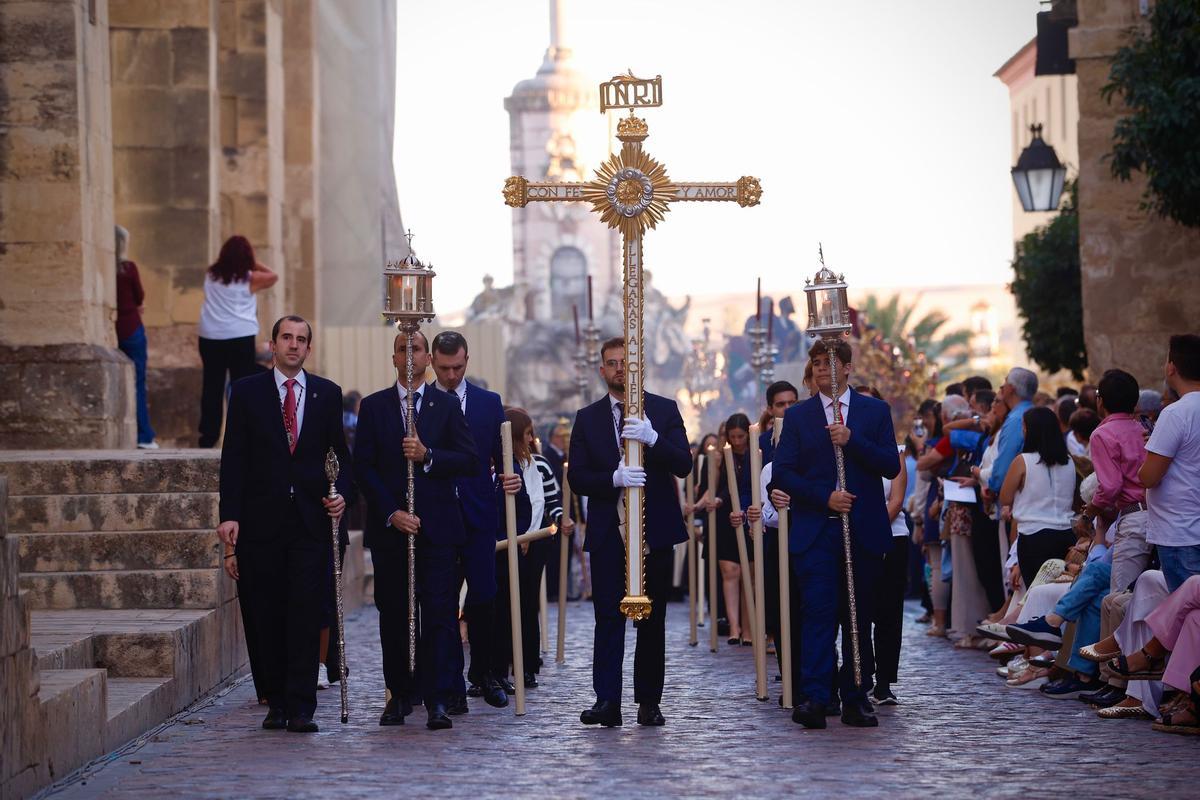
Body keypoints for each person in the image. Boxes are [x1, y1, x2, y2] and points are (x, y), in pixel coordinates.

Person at [217, 315, 351, 733]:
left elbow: (340, 457)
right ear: (272, 344)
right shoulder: (246, 393)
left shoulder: (328, 394)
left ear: (309, 348)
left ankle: (301, 707)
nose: (294, 345)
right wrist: (229, 514)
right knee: (267, 612)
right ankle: (275, 701)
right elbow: (233, 456)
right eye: (286, 338)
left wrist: (341, 492)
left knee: (306, 614)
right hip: (261, 521)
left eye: (301, 340)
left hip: (311, 523)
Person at [772, 339, 900, 729]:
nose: (824, 370)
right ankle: (816, 696)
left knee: (857, 617)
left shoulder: (874, 411)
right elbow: (783, 473)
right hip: (816, 531)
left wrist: (852, 440)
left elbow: (890, 465)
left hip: (861, 531)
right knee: (818, 614)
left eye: (830, 363)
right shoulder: (798, 416)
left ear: (847, 367)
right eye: (817, 364)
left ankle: (856, 695)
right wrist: (824, 497)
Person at [353, 330, 478, 730]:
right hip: (392, 530)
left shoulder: (445, 404)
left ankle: (438, 697)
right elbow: (363, 468)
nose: (410, 356)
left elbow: (468, 458)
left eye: (417, 349)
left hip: (437, 528)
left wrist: (428, 456)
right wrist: (391, 512)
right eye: (402, 349)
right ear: (393, 358)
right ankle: (399, 694)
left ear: (428, 358)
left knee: (439, 614)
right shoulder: (373, 407)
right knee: (393, 613)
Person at [568, 337, 691, 727]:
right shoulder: (587, 417)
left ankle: (649, 701)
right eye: (612, 362)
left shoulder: (665, 409)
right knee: (607, 617)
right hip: (610, 532)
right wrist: (613, 478)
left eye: (626, 362)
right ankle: (607, 701)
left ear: (639, 367)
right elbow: (577, 477)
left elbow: (684, 464)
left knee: (652, 621)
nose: (619, 368)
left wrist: (655, 439)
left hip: (655, 531)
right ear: (601, 370)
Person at [426, 330, 512, 709]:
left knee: (485, 595)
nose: (451, 376)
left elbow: (500, 455)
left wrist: (510, 477)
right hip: (438, 512)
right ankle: (443, 680)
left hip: (479, 511)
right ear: (432, 362)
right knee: (440, 600)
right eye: (444, 368)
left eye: (457, 367)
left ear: (467, 361)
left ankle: (487, 673)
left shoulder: (488, 403)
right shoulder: (421, 402)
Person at [198, 235, 278, 447]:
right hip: (240, 336)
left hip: (211, 337)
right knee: (241, 386)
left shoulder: (211, 275)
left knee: (212, 386)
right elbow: (273, 276)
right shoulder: (250, 279)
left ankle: (208, 437)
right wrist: (251, 262)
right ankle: (240, 434)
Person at [1139, 334, 1200, 593]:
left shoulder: (1176, 413)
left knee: (1188, 619)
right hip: (1190, 527)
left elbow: (1149, 476)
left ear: (1172, 367)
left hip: (1180, 532)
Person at [999, 406, 1077, 590]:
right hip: (1065, 534)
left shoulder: (1023, 460)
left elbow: (1005, 497)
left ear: (1028, 430)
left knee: (1035, 596)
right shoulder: (1069, 461)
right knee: (1058, 594)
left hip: (1035, 536)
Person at [114, 225, 157, 449]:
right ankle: (144, 435)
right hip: (131, 328)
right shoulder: (128, 268)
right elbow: (139, 296)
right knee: (139, 383)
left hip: (115, 328)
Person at [715, 413, 754, 646]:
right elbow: (716, 488)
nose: (738, 441)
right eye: (733, 437)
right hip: (726, 518)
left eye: (741, 436)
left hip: (749, 516)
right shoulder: (721, 458)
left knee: (749, 574)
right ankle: (734, 626)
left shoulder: (755, 455)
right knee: (730, 572)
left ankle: (749, 628)